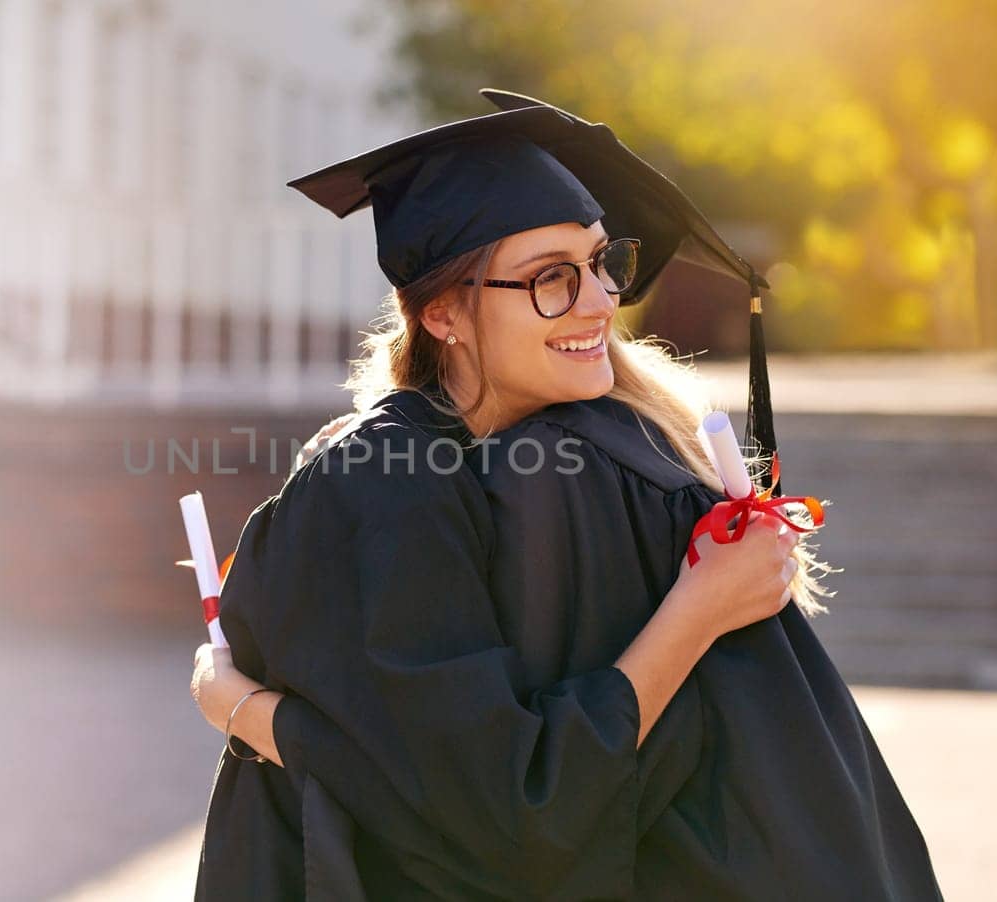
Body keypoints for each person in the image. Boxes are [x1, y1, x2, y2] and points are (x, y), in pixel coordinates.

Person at [188, 93, 943, 900]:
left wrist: (246, 712)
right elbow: (507, 810)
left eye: (599, 262)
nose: (599, 300)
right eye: (551, 277)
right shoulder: (395, 481)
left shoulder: (595, 457)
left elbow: (497, 811)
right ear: (443, 313)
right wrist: (698, 609)